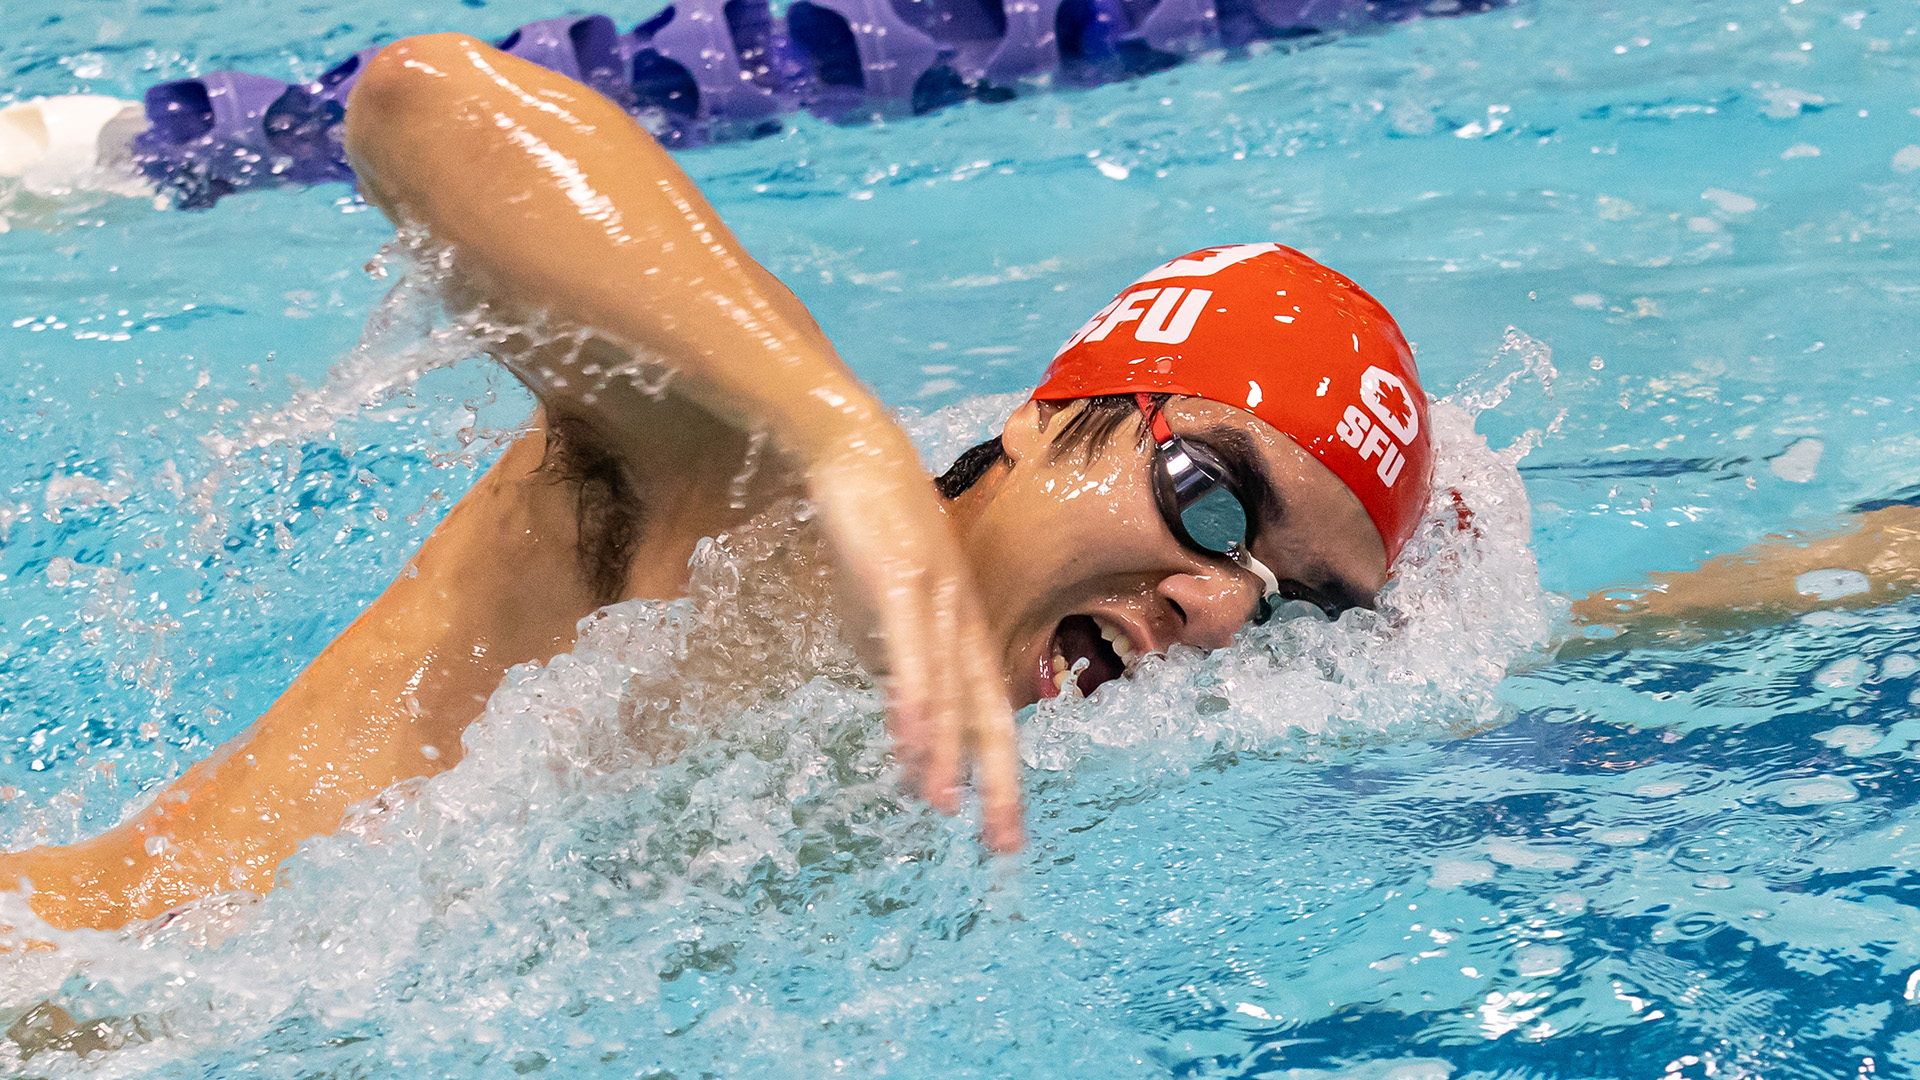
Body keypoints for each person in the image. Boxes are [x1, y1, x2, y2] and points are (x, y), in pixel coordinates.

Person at [2, 33, 1915, 936]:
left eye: (1296, 604)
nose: (1227, 610)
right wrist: (835, 432)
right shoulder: (741, 496)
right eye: (1220, 504)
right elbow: (423, 104)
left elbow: (1556, 656)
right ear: (1072, 411)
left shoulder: (1117, 726)